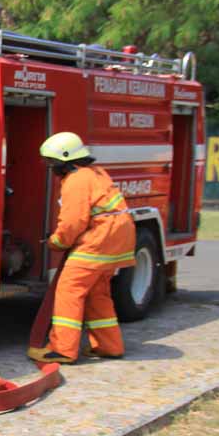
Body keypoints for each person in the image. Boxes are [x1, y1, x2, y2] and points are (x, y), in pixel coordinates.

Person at [28, 132, 136, 364]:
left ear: (64, 160)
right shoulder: (96, 173)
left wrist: (56, 242)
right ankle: (109, 346)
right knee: (98, 293)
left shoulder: (76, 180)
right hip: (115, 239)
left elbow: (73, 221)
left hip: (99, 240)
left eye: (51, 162)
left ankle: (62, 349)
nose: (50, 167)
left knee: (69, 290)